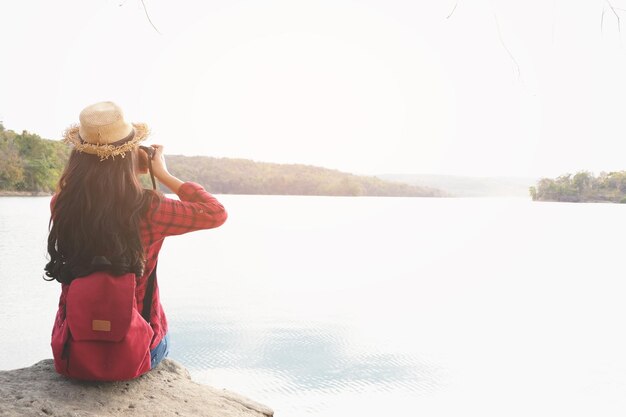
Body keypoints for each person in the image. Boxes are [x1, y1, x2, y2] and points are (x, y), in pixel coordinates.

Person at [45, 101, 227, 372]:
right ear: (131, 154)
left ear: (79, 158)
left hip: (73, 353)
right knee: (157, 330)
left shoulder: (61, 204)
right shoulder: (149, 208)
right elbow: (215, 213)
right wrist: (162, 173)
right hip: (138, 352)